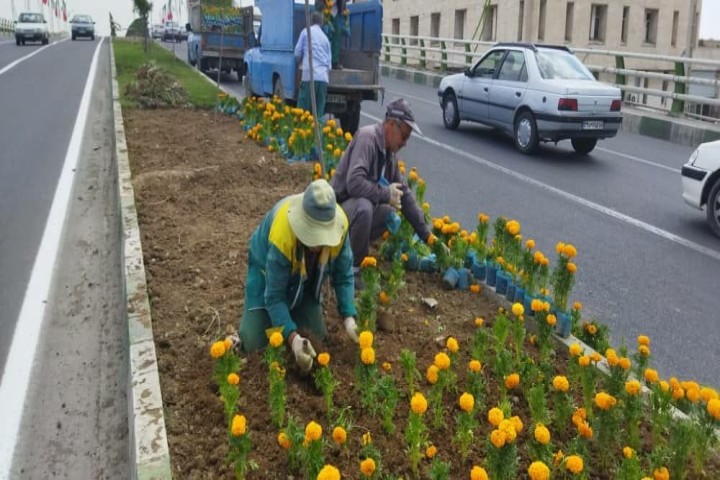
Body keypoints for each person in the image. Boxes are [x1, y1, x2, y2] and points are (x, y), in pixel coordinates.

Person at [237, 179, 359, 372]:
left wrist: (349, 318)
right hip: (265, 275)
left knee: (315, 336)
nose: (318, 245)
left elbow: (344, 275)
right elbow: (274, 296)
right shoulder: (283, 234)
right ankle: (273, 321)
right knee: (255, 344)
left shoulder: (341, 226)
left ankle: (291, 313)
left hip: (303, 279)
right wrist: (293, 340)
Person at [330, 98, 432, 279]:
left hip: (350, 213)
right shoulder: (367, 139)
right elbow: (354, 184)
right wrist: (385, 193)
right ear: (392, 125)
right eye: (405, 136)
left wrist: (428, 237)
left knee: (387, 212)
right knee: (364, 207)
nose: (405, 143)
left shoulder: (388, 153)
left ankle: (346, 250)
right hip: (336, 210)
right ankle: (352, 270)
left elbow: (404, 193)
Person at [294, 12, 331, 117]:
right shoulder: (326, 39)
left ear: (311, 21)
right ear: (322, 23)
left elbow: (297, 53)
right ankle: (317, 131)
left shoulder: (306, 32)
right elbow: (329, 64)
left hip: (309, 77)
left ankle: (303, 132)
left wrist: (300, 62)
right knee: (319, 114)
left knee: (302, 113)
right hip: (323, 79)